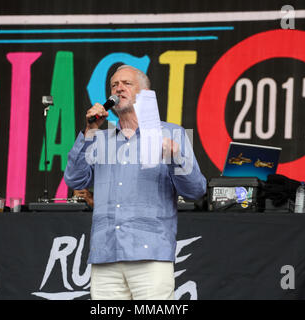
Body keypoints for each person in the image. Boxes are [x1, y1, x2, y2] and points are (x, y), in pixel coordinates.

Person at [64, 65, 206, 300]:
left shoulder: (172, 134)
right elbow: (74, 179)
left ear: (145, 93)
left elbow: (196, 191)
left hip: (149, 254)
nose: (118, 88)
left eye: (126, 83)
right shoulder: (100, 139)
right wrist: (89, 130)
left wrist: (175, 158)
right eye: (113, 85)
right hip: (105, 255)